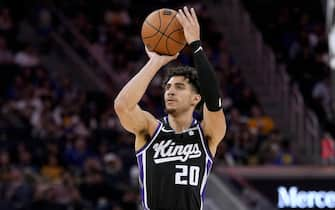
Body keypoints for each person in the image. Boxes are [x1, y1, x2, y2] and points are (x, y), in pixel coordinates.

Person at [114, 6, 226, 210]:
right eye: (168, 87)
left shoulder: (207, 134)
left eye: (179, 87)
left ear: (195, 98)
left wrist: (196, 46)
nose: (170, 92)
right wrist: (156, 62)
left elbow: (213, 99)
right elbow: (122, 106)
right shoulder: (150, 129)